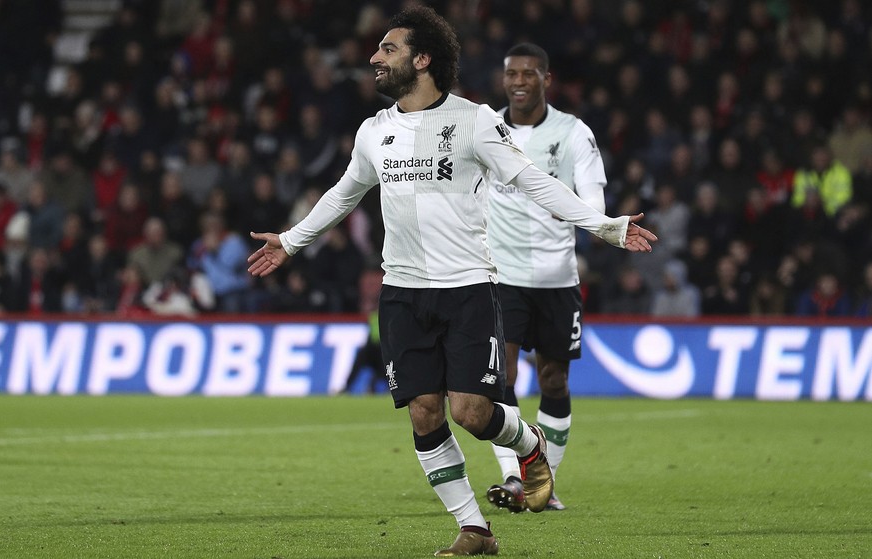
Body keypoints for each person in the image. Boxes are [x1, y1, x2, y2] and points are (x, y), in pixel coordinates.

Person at [246, 7, 657, 556]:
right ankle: (474, 528)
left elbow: (533, 181)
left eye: (388, 50)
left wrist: (604, 226)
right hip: (401, 292)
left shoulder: (474, 121)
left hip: (467, 288)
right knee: (423, 411)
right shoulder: (375, 131)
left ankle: (529, 442)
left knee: (472, 412)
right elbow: (346, 192)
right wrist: (293, 239)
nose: (374, 58)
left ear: (422, 60)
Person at [484, 42, 608, 514]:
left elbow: (593, 197)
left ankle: (546, 483)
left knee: (553, 380)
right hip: (501, 275)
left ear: (546, 79)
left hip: (557, 277)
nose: (518, 81)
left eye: (528, 73)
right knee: (503, 376)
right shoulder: (486, 129)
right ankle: (517, 479)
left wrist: (595, 221)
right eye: (511, 73)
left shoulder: (574, 132)